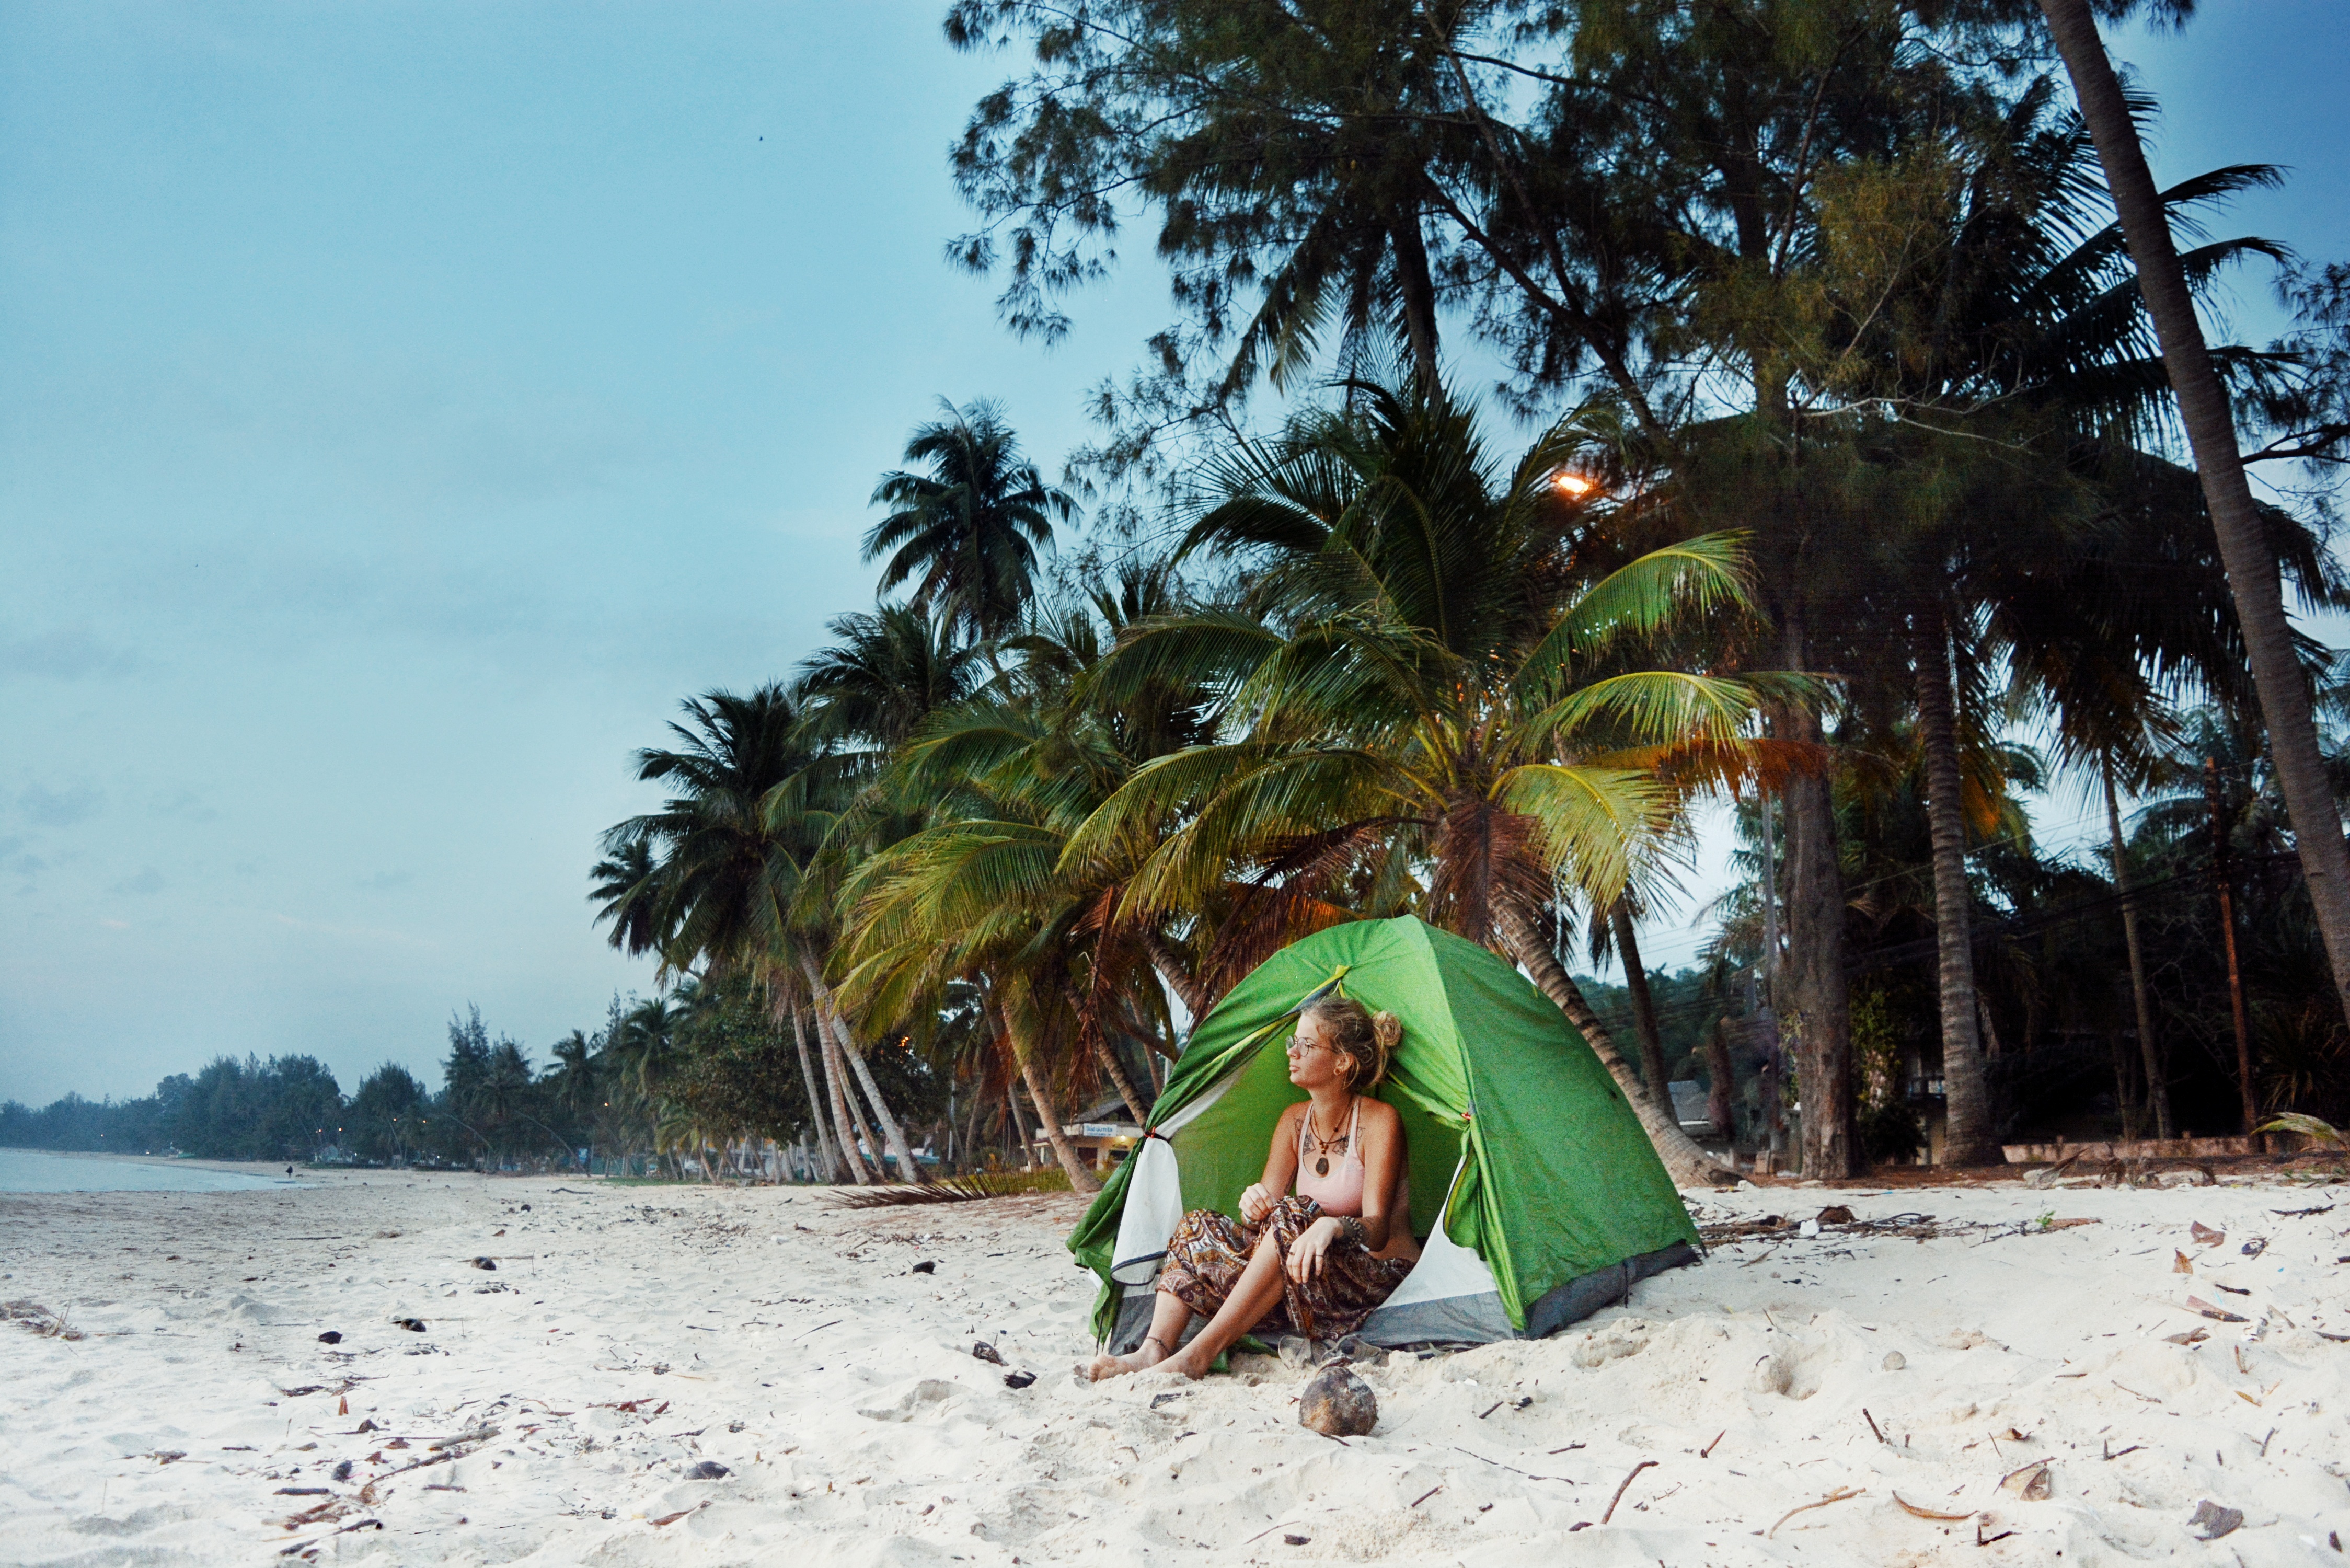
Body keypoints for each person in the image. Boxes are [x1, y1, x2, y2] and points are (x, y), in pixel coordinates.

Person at [1085, 996, 1419, 1381]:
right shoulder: (1294, 1121)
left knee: (1299, 1213)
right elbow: (1267, 1212)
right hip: (1305, 1274)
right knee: (1197, 1226)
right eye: (1292, 1042)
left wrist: (1331, 1226)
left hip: (1373, 1276)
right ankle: (1151, 1350)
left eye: (1305, 1045)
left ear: (1342, 1061)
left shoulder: (1380, 1122)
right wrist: (1253, 1205)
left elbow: (1377, 1230)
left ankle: (1198, 1354)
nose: (1291, 1052)